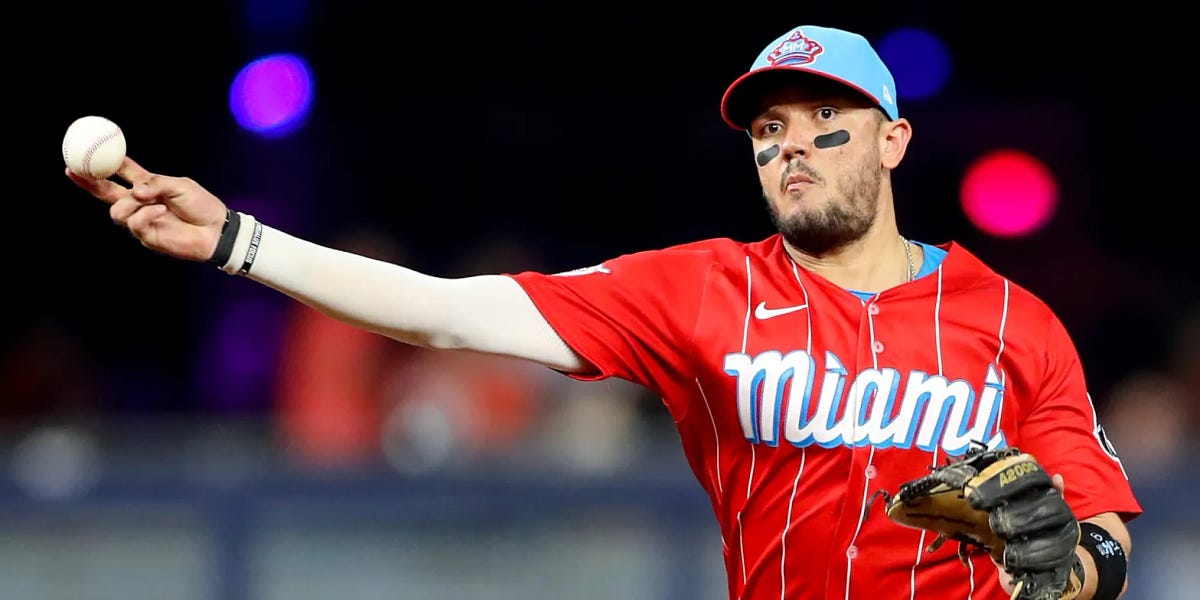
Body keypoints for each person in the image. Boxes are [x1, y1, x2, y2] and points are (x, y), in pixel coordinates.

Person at [66, 24, 1141, 600]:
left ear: (894, 141)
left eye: (827, 120)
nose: (793, 148)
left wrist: (1070, 571)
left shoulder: (1013, 320)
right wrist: (234, 240)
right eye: (769, 130)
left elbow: (1100, 542)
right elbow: (447, 315)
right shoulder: (704, 290)